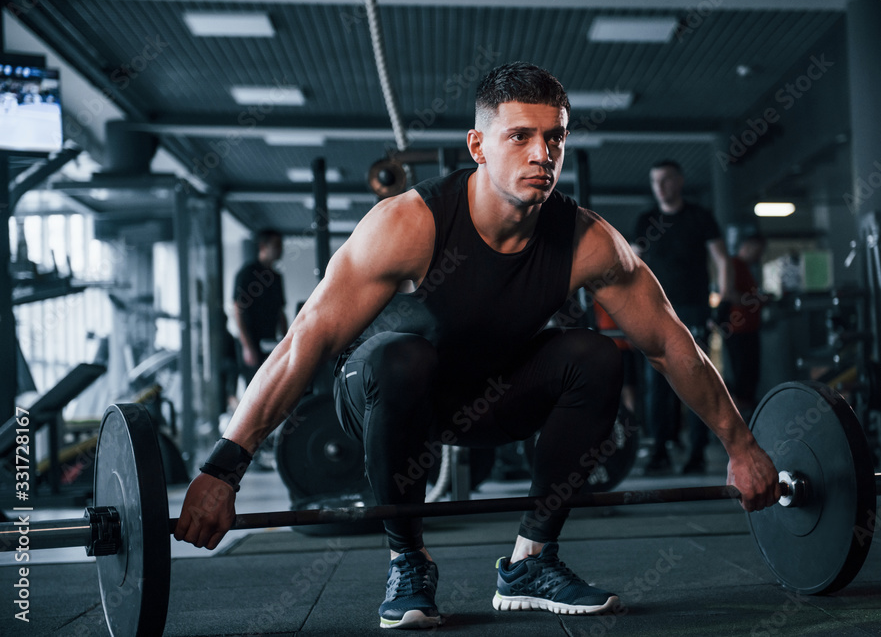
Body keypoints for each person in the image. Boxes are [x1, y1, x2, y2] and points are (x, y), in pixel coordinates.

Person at [174, 62, 779, 630]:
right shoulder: (410, 223)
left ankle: (531, 560)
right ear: (478, 146)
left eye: (555, 138)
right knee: (401, 356)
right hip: (382, 396)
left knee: (596, 355)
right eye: (520, 136)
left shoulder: (588, 240)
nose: (542, 154)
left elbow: (670, 343)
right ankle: (407, 560)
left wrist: (741, 445)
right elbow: (308, 339)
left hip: (488, 399)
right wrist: (224, 468)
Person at [632, 160, 734, 475]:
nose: (659, 187)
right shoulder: (647, 220)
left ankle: (697, 452)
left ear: (678, 181)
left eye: (665, 180)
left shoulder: (698, 217)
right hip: (656, 312)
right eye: (654, 181)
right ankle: (660, 449)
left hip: (693, 310)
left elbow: (722, 259)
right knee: (656, 384)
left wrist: (725, 299)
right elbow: (632, 263)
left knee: (696, 382)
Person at [232, 229, 288, 386]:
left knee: (274, 385)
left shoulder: (276, 277)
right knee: (255, 388)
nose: (280, 250)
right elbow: (238, 310)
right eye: (276, 245)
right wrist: (247, 346)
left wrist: (286, 340)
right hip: (252, 342)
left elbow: (280, 312)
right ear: (263, 246)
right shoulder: (246, 274)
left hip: (270, 341)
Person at [722, 233, 768, 418]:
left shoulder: (746, 268)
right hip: (738, 331)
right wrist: (756, 300)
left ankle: (747, 421)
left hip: (749, 330)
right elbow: (729, 294)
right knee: (743, 379)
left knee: (750, 378)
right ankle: (739, 424)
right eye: (758, 251)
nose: (759, 256)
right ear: (748, 246)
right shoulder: (734, 266)